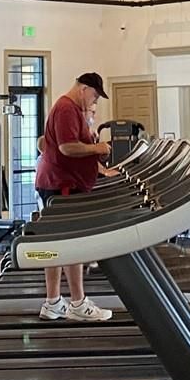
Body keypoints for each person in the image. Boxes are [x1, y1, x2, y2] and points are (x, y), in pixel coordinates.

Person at [33, 72, 115, 321]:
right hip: (62, 185)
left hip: (59, 182)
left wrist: (96, 158)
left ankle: (54, 302)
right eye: (94, 96)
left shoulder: (70, 109)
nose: (94, 101)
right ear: (83, 89)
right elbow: (67, 147)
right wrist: (97, 147)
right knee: (71, 243)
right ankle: (77, 304)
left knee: (59, 244)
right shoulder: (66, 108)